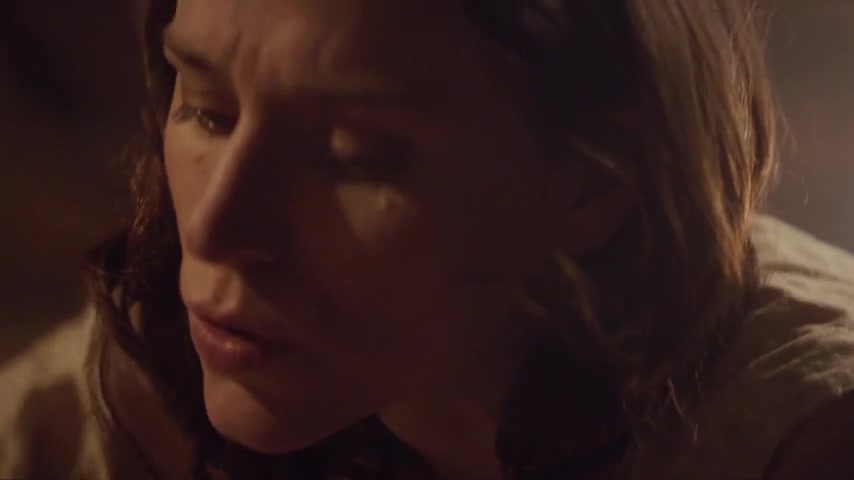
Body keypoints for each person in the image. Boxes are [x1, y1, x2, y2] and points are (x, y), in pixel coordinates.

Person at [2, 0, 854, 479]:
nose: (217, 226)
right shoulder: (122, 388)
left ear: (590, 185)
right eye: (207, 110)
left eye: (353, 155)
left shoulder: (799, 438)